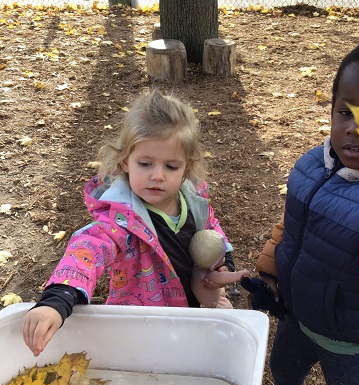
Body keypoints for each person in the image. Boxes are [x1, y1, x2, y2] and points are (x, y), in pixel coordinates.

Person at [22, 90, 241, 357]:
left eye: (171, 166)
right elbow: (87, 251)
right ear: (125, 162)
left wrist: (223, 261)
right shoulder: (120, 220)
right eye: (146, 163)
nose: (157, 176)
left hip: (188, 311)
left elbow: (212, 228)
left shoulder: (194, 202)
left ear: (187, 167)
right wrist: (58, 299)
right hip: (140, 321)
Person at [247, 37, 359, 385]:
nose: (355, 127)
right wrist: (270, 271)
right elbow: (289, 227)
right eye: (345, 111)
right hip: (296, 312)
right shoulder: (309, 166)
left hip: (350, 338)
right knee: (283, 365)